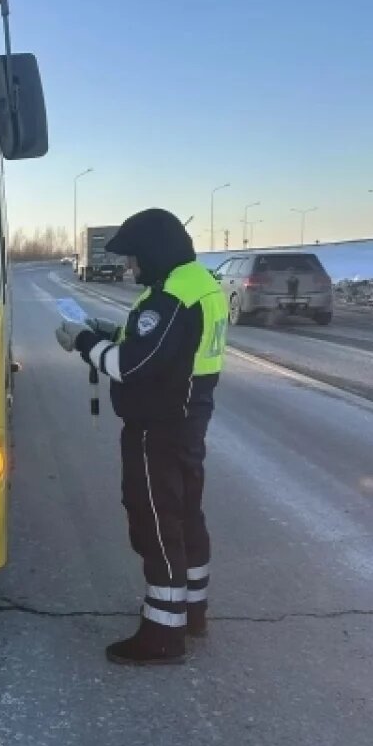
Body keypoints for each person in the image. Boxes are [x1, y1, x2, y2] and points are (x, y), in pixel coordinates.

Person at [54, 208, 228, 666]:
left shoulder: (168, 298)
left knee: (156, 522)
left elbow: (129, 366)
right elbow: (166, 349)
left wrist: (82, 343)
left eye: (134, 258)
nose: (131, 268)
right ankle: (192, 611)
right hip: (189, 419)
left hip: (159, 428)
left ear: (153, 253)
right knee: (186, 513)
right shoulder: (200, 285)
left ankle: (162, 635)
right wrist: (109, 331)